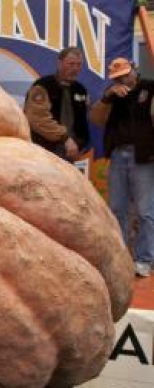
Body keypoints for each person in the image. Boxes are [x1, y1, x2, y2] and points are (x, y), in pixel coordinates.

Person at [90, 58, 154, 278]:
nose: (123, 79)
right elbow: (96, 119)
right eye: (118, 77)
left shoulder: (149, 87)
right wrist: (107, 98)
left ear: (134, 70)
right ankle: (121, 258)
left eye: (126, 74)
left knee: (146, 211)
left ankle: (145, 259)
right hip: (118, 154)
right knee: (118, 209)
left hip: (144, 156)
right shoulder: (112, 95)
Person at [24, 47, 90, 162]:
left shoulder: (80, 90)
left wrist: (80, 144)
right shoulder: (42, 86)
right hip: (45, 150)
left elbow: (83, 121)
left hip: (71, 152)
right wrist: (65, 139)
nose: (75, 68)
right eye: (71, 64)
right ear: (59, 63)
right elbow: (37, 119)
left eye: (79, 65)